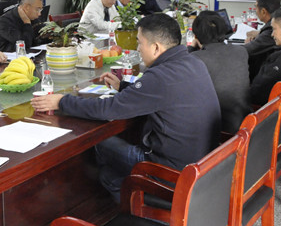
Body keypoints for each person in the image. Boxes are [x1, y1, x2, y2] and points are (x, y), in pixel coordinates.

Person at [31, 13, 220, 202]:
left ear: (156, 47)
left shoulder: (159, 77)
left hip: (171, 173)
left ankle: (118, 205)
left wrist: (61, 101)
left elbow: (108, 109)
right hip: (202, 167)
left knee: (101, 149)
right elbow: (161, 93)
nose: (138, 49)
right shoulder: (194, 63)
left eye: (139, 43)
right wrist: (122, 86)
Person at [191, 11, 251, 134]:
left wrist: (191, 48)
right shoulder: (241, 51)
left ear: (196, 37)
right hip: (245, 119)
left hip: (221, 128)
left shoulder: (195, 59)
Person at [244, 0, 281, 80]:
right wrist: (259, 33)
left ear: (263, 11)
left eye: (256, 7)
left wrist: (247, 44)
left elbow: (248, 50)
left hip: (260, 75)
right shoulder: (274, 25)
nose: (255, 11)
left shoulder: (271, 31)